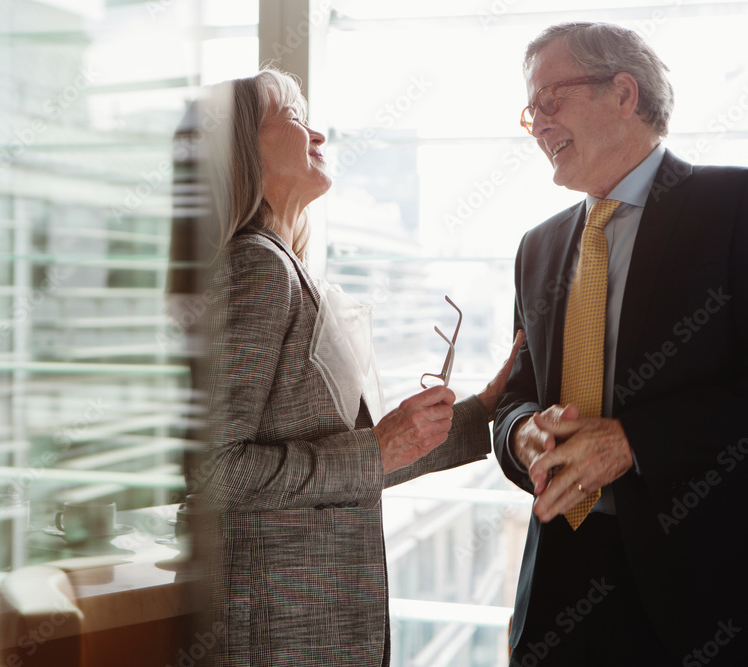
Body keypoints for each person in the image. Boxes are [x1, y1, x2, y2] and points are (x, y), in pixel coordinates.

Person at [494, 22, 748, 665]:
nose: (538, 125)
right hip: (558, 587)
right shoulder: (537, 247)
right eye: (530, 111)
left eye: (551, 99)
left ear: (624, 93)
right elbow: (516, 397)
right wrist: (521, 436)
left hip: (699, 587)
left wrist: (632, 441)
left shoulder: (739, 203)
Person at [179, 67, 523, 667]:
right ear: (241, 148)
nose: (317, 133)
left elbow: (356, 466)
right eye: (293, 117)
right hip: (278, 635)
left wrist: (486, 407)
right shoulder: (256, 268)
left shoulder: (287, 268)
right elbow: (216, 474)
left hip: (315, 627)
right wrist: (375, 450)